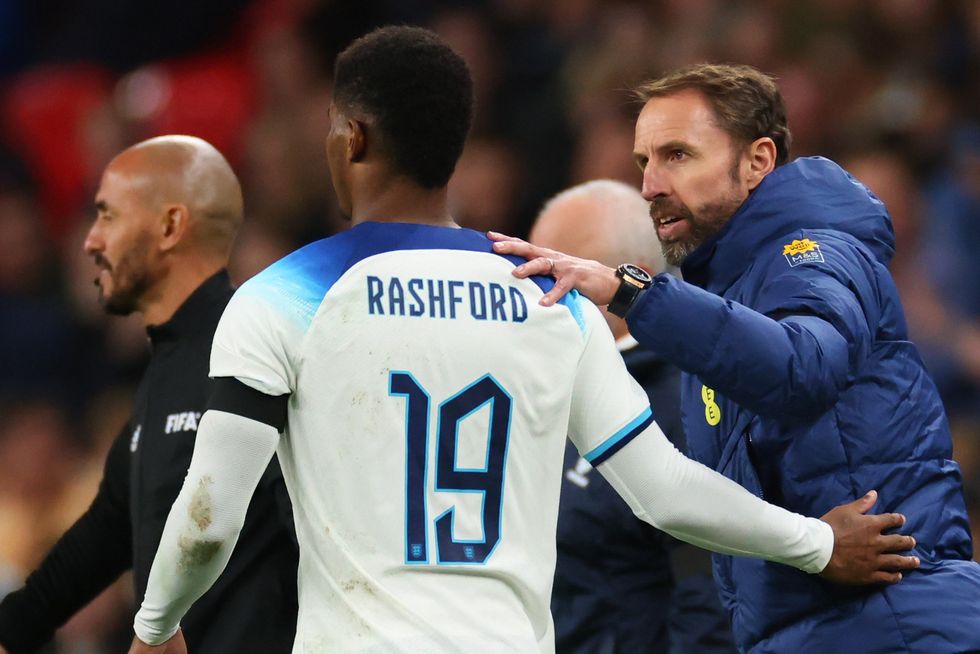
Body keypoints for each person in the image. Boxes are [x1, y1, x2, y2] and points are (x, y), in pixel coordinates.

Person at [128, 30, 917, 654]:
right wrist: (819, 543)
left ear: (352, 139)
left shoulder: (279, 295)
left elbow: (208, 519)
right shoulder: (550, 295)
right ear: (457, 144)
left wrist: (155, 625)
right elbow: (665, 490)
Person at [491, 63, 980, 653]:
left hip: (890, 623)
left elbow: (802, 367)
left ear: (757, 161)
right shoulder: (726, 298)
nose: (650, 186)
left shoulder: (811, 253)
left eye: (677, 155)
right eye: (644, 162)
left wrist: (630, 292)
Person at [0, 136, 299, 654]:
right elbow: (106, 532)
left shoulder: (253, 349)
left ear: (169, 227)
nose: (91, 241)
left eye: (108, 216)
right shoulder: (167, 368)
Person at [532, 179, 734, 653]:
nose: (534, 296)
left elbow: (712, 599)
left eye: (557, 275)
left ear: (629, 282)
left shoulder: (684, 411)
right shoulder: (539, 388)